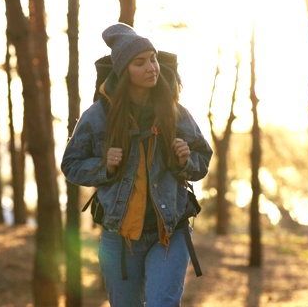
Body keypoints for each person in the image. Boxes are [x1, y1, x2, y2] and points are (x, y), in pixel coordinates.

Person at [61, 23, 213, 306]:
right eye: (139, 63)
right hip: (120, 237)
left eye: (153, 59)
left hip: (169, 231)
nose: (152, 67)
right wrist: (104, 166)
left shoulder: (175, 112)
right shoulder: (98, 116)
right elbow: (71, 164)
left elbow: (202, 158)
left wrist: (185, 160)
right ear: (123, 71)